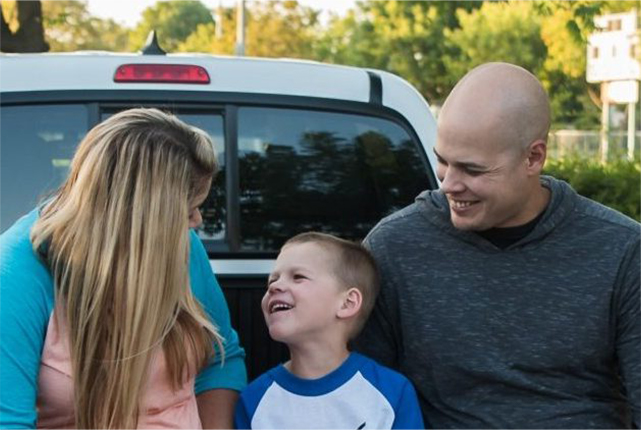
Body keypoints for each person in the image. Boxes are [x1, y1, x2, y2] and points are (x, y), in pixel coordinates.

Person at [354, 62, 640, 428]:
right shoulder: (395, 247)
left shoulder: (623, 250)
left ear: (533, 157)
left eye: (472, 170)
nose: (449, 184)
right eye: (444, 161)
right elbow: (362, 401)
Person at [0, 108, 247, 429]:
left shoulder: (182, 245)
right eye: (188, 211)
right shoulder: (17, 273)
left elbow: (221, 359)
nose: (196, 223)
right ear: (138, 217)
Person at [234, 232, 424, 429]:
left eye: (298, 277)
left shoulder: (392, 392)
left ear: (347, 303)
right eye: (272, 280)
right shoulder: (254, 400)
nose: (275, 286)